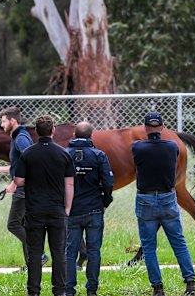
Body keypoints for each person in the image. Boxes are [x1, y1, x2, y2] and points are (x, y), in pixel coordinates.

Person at [131, 112, 195, 296]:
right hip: (168, 198)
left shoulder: (137, 147)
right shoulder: (171, 147)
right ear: (161, 128)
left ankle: (158, 288)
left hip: (145, 199)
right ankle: (190, 284)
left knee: (149, 246)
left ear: (145, 128)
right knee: (179, 242)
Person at [14, 115, 75, 296]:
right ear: (53, 131)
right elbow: (69, 184)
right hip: (57, 210)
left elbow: (18, 180)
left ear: (36, 132)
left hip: (34, 211)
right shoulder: (63, 153)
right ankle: (59, 291)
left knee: (34, 254)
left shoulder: (28, 154)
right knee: (59, 253)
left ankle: (33, 291)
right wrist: (67, 208)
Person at [0, 106, 48, 270]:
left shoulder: (20, 137)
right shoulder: (18, 136)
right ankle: (31, 263)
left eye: (4, 121)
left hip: (23, 190)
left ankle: (39, 254)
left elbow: (31, 161)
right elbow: (20, 163)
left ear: (13, 121)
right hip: (23, 188)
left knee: (13, 225)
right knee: (24, 225)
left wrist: (15, 183)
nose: (1, 124)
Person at [65, 122, 114, 296]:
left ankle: (69, 290)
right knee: (94, 251)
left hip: (72, 212)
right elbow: (108, 183)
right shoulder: (99, 155)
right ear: (91, 136)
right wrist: (105, 201)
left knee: (70, 252)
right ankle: (91, 290)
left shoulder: (65, 155)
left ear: (74, 135)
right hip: (94, 210)